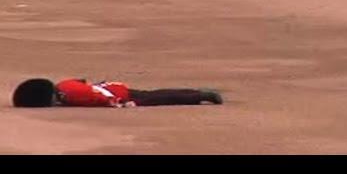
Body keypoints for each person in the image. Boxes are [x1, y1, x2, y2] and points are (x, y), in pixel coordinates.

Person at [12, 78, 223, 108]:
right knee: (158, 93)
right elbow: (84, 82)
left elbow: (98, 98)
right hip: (114, 86)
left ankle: (201, 96)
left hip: (118, 94)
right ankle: (196, 92)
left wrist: (119, 104)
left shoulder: (70, 95)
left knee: (160, 98)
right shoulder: (65, 85)